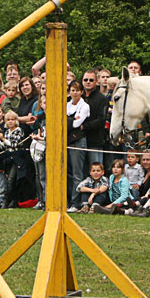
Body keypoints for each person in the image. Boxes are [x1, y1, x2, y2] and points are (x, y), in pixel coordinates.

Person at [65, 80, 90, 212]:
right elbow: (69, 122)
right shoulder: (66, 104)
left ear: (81, 92)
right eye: (72, 90)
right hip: (67, 141)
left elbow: (76, 124)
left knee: (77, 173)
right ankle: (69, 200)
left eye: (77, 90)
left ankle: (76, 203)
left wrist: (68, 121)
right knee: (67, 173)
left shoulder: (84, 106)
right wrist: (71, 121)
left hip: (78, 141)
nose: (74, 93)